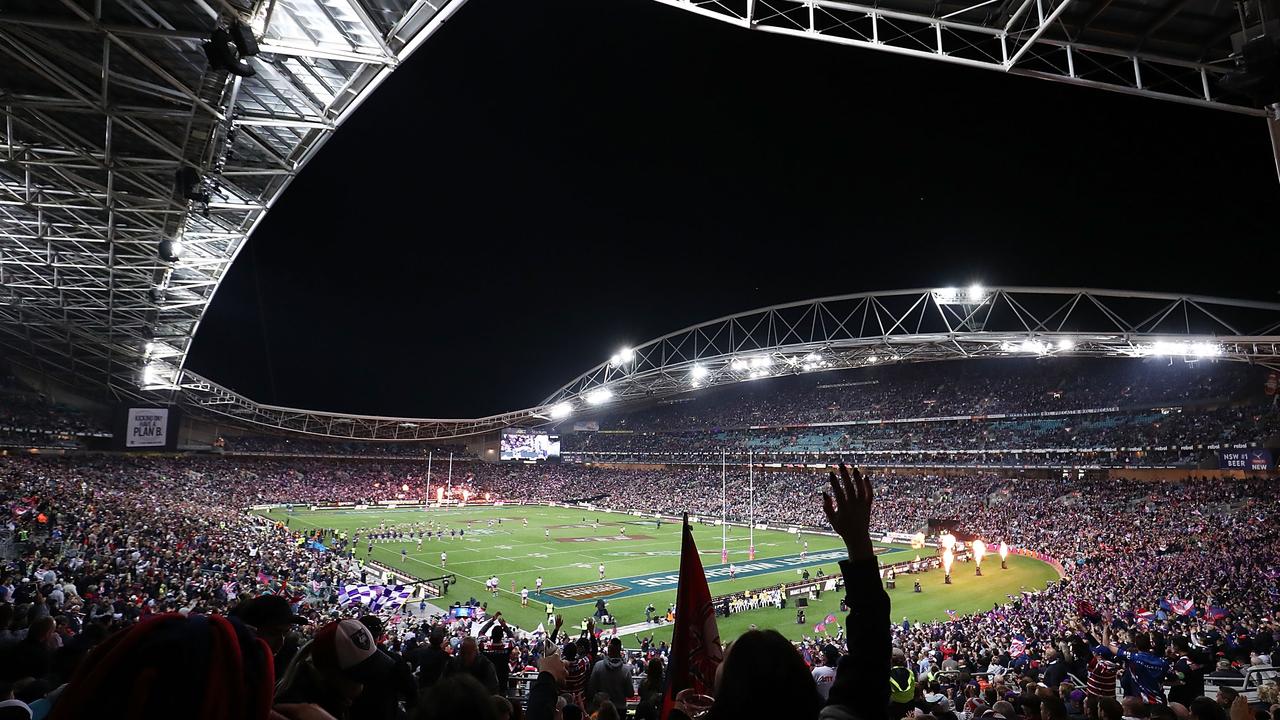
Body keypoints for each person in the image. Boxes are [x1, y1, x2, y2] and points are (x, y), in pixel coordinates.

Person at [275, 618, 396, 720]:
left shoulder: (337, 697)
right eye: (360, 675)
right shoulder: (296, 711)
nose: (363, 685)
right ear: (331, 673)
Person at [349, 615, 418, 720]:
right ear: (380, 636)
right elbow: (411, 691)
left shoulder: (346, 655)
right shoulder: (395, 660)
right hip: (384, 713)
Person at [586, 638, 633, 718]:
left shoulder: (598, 666)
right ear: (619, 651)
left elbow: (591, 688)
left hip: (601, 709)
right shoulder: (626, 670)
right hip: (619, 709)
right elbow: (630, 694)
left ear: (609, 650)